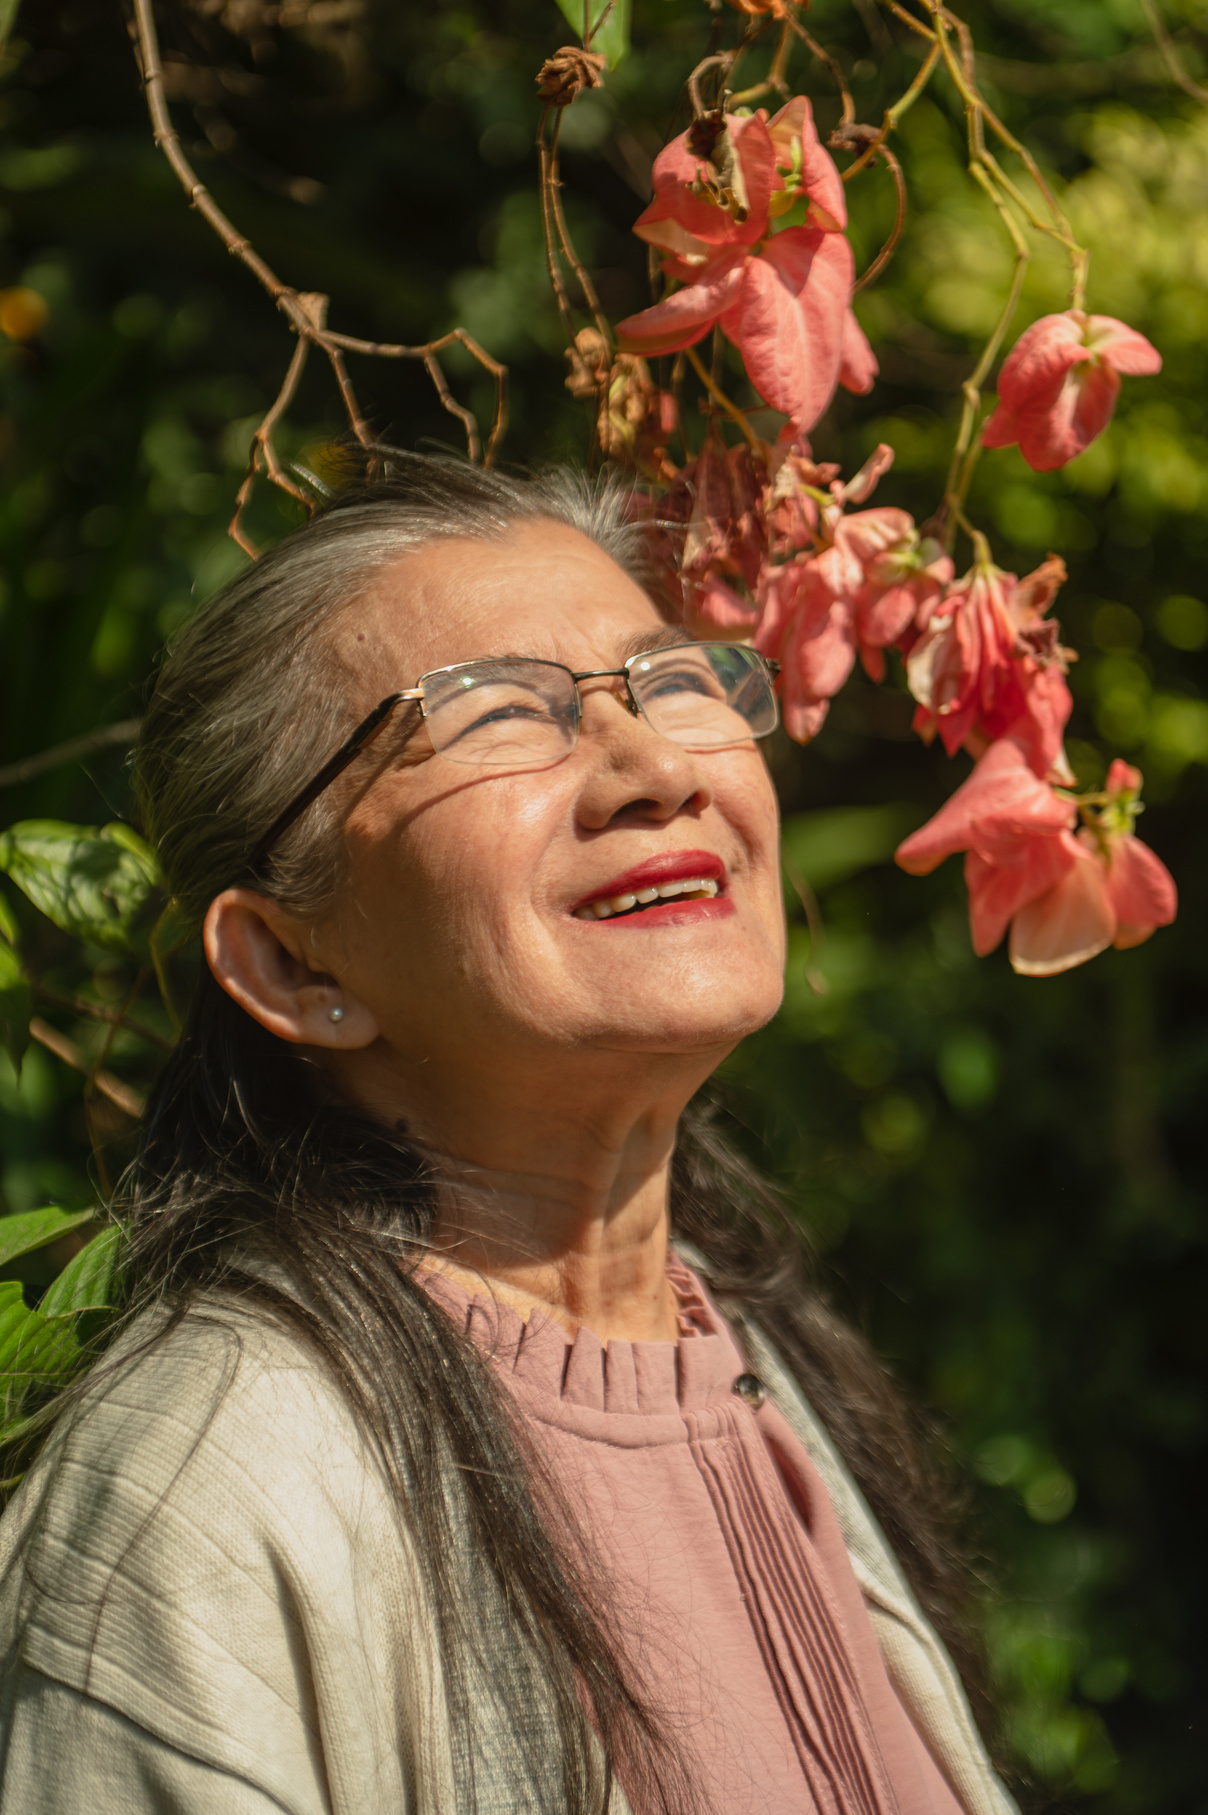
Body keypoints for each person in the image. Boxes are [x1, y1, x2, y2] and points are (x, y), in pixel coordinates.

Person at [0, 456, 1016, 1814]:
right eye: (489, 717)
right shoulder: (207, 1497)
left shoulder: (764, 1370)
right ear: (296, 968)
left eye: (674, 680)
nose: (655, 765)